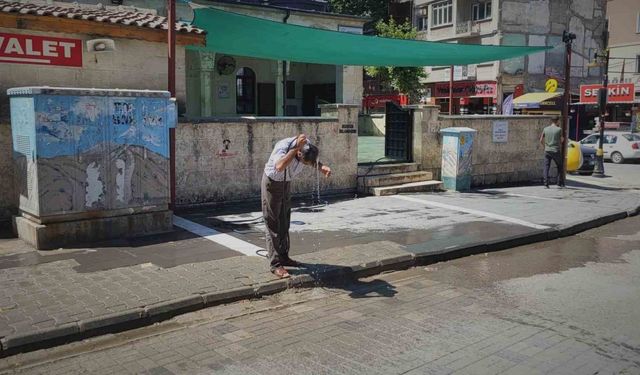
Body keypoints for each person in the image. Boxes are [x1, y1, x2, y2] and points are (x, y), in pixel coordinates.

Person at [262, 134, 331, 279]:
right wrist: (294, 148)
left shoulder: (307, 146)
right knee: (273, 223)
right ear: (298, 153)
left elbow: (311, 160)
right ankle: (275, 265)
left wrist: (321, 167)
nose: (305, 165)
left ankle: (284, 257)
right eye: (304, 162)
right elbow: (280, 166)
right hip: (272, 183)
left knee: (285, 221)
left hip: (286, 183)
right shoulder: (283, 146)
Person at [539, 116, 564, 188]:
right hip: (555, 150)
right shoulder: (559, 129)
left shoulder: (545, 129)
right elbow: (562, 140)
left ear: (551, 121)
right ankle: (559, 183)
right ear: (557, 121)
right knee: (560, 166)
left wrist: (545, 147)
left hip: (547, 150)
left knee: (546, 167)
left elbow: (541, 140)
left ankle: (546, 184)